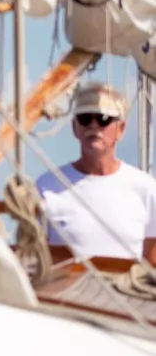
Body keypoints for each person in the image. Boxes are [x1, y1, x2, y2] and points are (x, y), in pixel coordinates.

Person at [35, 82, 156, 265]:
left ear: (120, 129)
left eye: (103, 118)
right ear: (75, 128)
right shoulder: (46, 187)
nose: (93, 126)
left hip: (128, 292)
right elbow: (34, 257)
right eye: (85, 118)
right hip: (64, 293)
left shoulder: (146, 189)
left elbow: (152, 264)